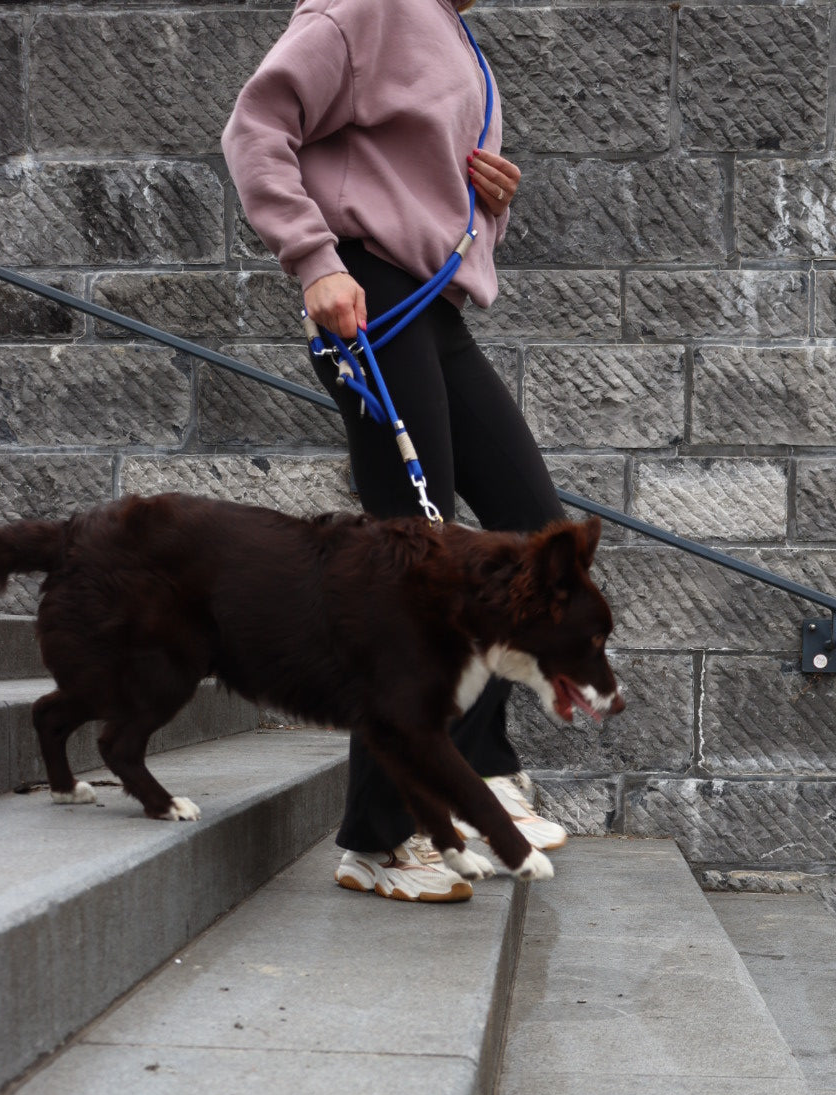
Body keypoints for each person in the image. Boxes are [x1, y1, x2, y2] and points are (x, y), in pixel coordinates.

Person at [222, 0, 568, 902]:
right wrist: (313, 260)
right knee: (414, 564)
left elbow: (392, 165)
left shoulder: (457, 33)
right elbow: (257, 126)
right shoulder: (370, 6)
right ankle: (376, 839)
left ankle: (480, 757)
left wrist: (483, 201)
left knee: (538, 536)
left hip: (434, 309)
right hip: (370, 295)